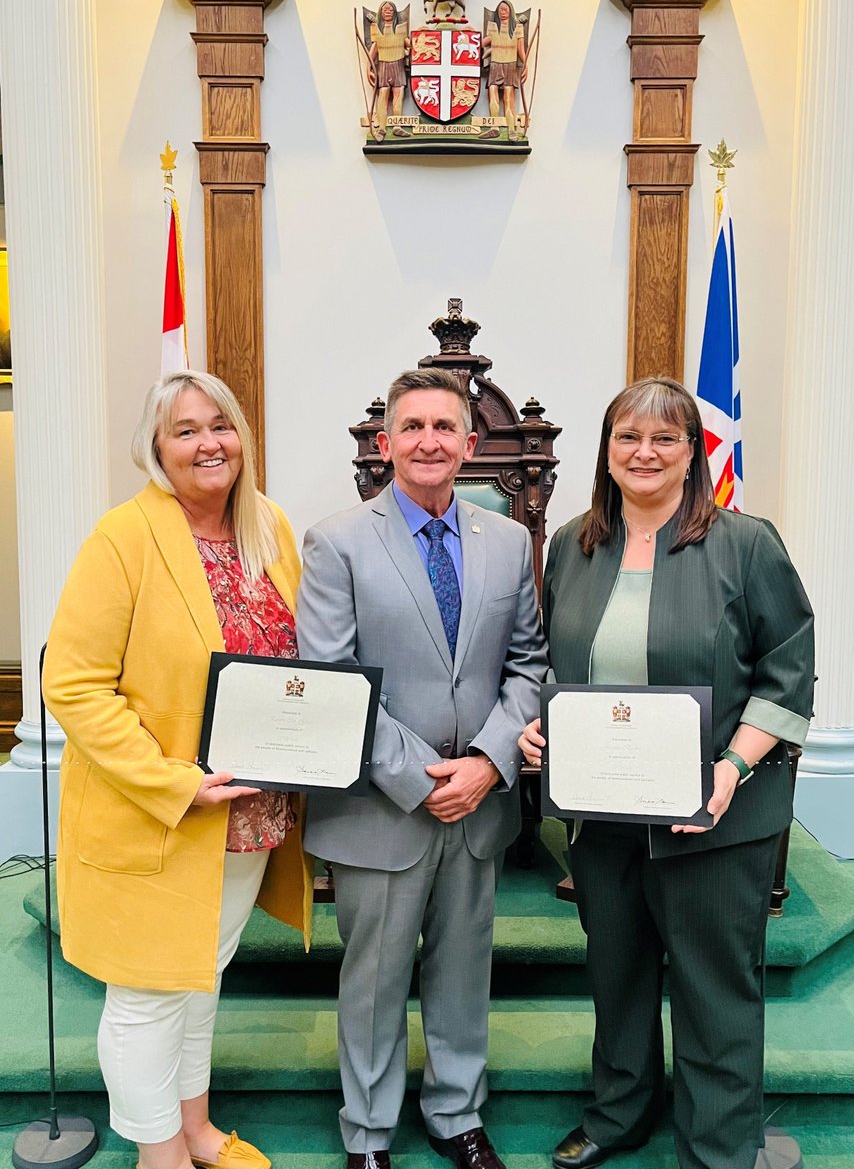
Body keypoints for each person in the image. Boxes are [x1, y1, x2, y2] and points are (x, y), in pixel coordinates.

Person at [519, 378, 814, 1169]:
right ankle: (619, 1115)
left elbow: (787, 674)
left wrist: (730, 769)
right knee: (616, 976)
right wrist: (541, 732)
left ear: (693, 453)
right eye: (627, 437)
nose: (644, 453)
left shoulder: (746, 545)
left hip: (718, 814)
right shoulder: (573, 544)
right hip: (603, 816)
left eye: (664, 439)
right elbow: (553, 665)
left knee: (716, 991)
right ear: (606, 452)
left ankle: (717, 1145)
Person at [43, 370, 314, 1169]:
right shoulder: (123, 537)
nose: (208, 443)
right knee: (146, 996)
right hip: (159, 812)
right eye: (186, 430)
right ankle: (157, 1153)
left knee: (201, 973)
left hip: (252, 810)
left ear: (242, 437)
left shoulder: (271, 526)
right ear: (156, 448)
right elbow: (74, 683)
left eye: (220, 426)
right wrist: (175, 781)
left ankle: (195, 1127)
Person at [296, 368, 547, 1169]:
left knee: (463, 971)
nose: (429, 441)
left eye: (445, 427)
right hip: (380, 807)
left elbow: (529, 665)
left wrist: (485, 763)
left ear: (469, 445)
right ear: (386, 443)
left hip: (479, 805)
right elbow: (330, 679)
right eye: (413, 428)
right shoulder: (336, 541)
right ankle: (368, 1135)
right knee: (373, 980)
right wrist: (417, 777)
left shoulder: (506, 542)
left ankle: (456, 1115)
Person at [482, 1, 527, 140]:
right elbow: (483, 43)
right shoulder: (493, 27)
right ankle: (494, 127)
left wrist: (525, 65)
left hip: (510, 65)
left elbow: (520, 50)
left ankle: (511, 130)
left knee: (508, 99)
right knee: (493, 95)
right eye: (500, 10)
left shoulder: (517, 28)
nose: (502, 12)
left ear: (510, 11)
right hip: (495, 65)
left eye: (505, 9)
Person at [367, 0, 409, 141]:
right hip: (384, 65)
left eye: (390, 10)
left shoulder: (401, 28)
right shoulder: (376, 28)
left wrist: (421, 38)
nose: (388, 12)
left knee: (398, 95)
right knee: (383, 95)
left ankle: (397, 126)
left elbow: (409, 43)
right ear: (380, 12)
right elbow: (374, 48)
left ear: (395, 12)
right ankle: (381, 128)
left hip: (398, 64)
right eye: (385, 9)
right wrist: (368, 67)